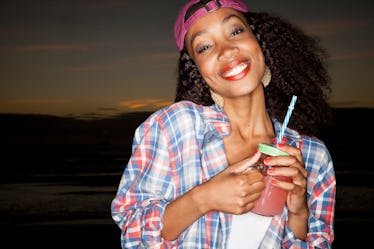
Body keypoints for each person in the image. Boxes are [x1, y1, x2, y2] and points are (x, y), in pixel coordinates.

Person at [111, 0, 336, 248]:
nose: (226, 50)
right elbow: (132, 232)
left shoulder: (313, 156)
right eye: (205, 46)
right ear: (197, 69)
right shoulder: (175, 127)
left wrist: (299, 213)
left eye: (236, 31)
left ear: (259, 41)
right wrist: (203, 198)